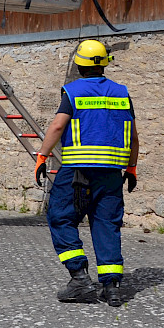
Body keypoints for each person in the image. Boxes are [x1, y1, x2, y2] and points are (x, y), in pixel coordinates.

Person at [33, 40, 139, 307]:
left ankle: (79, 278)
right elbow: (134, 137)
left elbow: (58, 126)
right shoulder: (121, 92)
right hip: (113, 172)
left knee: (60, 217)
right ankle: (112, 288)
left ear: (79, 64)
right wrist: (132, 167)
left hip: (77, 171)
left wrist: (42, 155)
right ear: (105, 63)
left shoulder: (73, 91)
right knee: (106, 224)